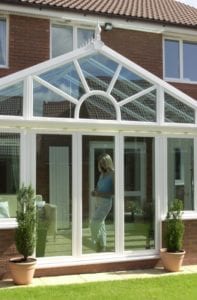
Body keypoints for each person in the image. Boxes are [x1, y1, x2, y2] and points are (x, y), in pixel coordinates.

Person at [90, 153, 114, 252]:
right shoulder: (102, 174)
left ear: (108, 162)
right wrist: (95, 192)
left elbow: (113, 192)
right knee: (101, 224)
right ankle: (102, 245)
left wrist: (99, 193)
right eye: (100, 163)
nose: (102, 165)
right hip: (98, 201)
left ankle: (94, 240)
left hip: (106, 202)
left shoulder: (113, 174)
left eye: (103, 163)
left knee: (94, 221)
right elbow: (99, 188)